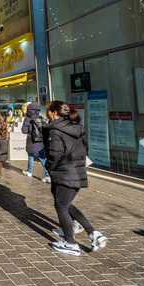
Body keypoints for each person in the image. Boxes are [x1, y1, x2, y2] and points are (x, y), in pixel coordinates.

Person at [43, 101, 107, 256]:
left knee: (61, 207)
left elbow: (55, 154)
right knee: (65, 203)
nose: (46, 113)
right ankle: (92, 233)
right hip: (77, 171)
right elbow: (85, 149)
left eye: (47, 111)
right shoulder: (77, 128)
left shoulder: (55, 130)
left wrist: (50, 167)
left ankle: (70, 242)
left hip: (64, 172)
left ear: (53, 113)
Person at [21, 103, 51, 183]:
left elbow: (24, 131)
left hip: (32, 140)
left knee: (31, 156)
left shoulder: (28, 119)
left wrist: (29, 131)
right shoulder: (41, 118)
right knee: (41, 157)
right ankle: (47, 175)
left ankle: (29, 171)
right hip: (41, 141)